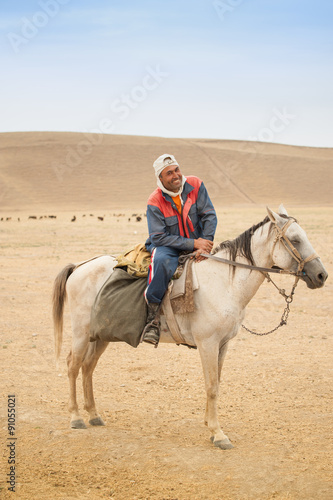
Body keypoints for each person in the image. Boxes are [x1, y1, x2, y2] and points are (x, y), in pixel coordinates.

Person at [142, 153, 217, 346]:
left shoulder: (196, 184)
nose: (176, 175)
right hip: (168, 246)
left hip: (199, 242)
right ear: (161, 178)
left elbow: (209, 215)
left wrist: (206, 243)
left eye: (177, 169)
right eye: (169, 173)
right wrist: (193, 245)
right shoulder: (154, 201)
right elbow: (158, 237)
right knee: (160, 262)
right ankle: (152, 318)